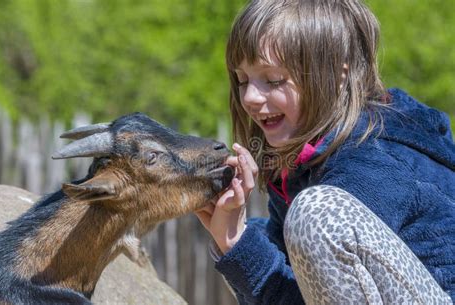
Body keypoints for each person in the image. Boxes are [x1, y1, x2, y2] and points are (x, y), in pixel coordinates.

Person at [194, 0, 455, 304]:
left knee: (315, 215)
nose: (249, 97)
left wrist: (237, 243)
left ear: (336, 74)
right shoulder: (302, 161)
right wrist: (235, 236)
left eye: (273, 79)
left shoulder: (371, 163)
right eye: (242, 80)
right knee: (259, 237)